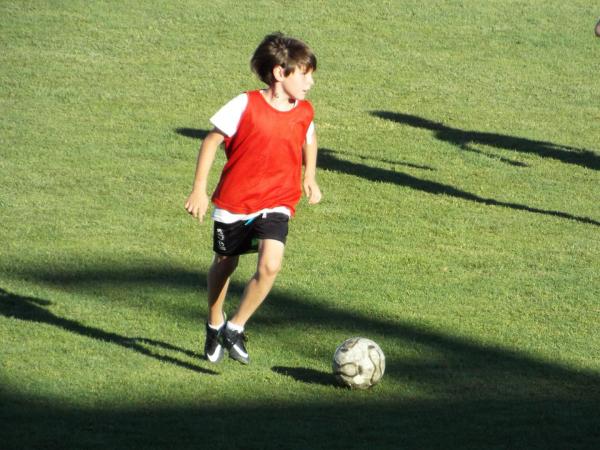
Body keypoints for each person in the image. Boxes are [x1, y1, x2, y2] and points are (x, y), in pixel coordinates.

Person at [184, 32, 322, 365]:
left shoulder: (303, 111)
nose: (310, 82)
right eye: (304, 74)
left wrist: (309, 177)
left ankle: (235, 326)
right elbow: (211, 142)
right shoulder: (244, 104)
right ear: (279, 73)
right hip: (235, 202)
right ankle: (215, 321)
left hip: (278, 199)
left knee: (271, 264)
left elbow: (310, 139)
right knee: (226, 263)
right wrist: (199, 189)